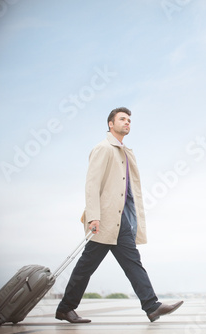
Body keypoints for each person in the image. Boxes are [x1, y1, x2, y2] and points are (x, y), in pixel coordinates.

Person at [55, 107, 183, 323]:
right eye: (122, 119)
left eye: (129, 120)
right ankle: (65, 308)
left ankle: (152, 306)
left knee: (133, 263)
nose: (127, 123)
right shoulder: (103, 148)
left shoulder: (124, 152)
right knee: (86, 266)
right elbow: (92, 185)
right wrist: (94, 216)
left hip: (120, 220)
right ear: (110, 124)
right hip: (104, 220)